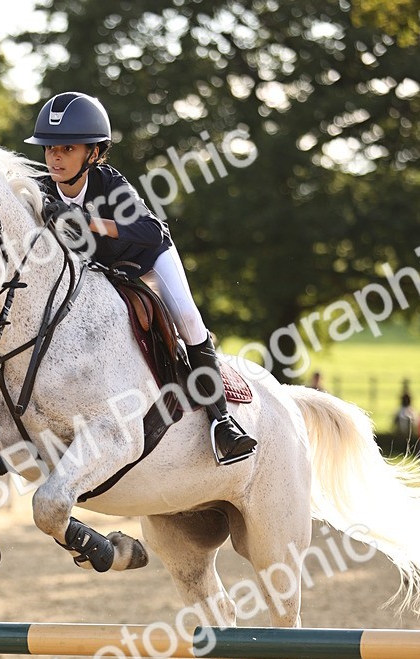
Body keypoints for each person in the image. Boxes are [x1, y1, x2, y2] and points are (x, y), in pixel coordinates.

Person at [27, 91, 257, 465]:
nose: (55, 157)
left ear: (94, 154)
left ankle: (223, 424)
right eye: (49, 148)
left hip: (146, 258)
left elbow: (150, 231)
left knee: (187, 316)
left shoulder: (109, 184)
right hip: (98, 273)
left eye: (67, 148)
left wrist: (86, 221)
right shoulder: (40, 189)